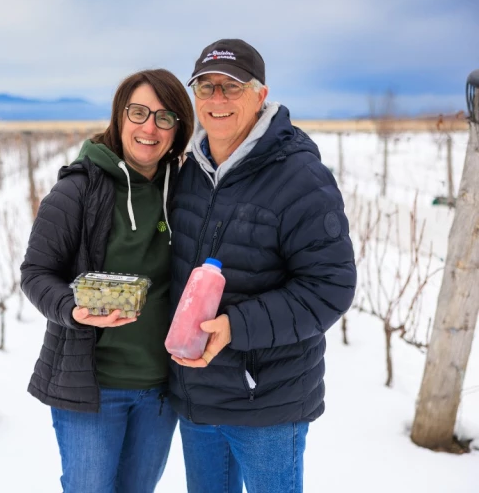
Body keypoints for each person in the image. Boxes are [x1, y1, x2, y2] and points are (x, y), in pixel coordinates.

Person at [167, 38, 357, 493]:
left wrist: (236, 326)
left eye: (231, 87)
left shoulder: (299, 177)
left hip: (266, 402)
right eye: (206, 87)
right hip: (196, 397)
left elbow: (330, 287)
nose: (217, 100)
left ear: (261, 95)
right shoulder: (187, 169)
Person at [20, 69, 194, 492]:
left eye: (164, 117)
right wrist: (72, 310)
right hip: (93, 388)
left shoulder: (185, 191)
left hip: (159, 390)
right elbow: (35, 273)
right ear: (119, 117)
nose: (149, 127)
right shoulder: (77, 190)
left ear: (178, 129)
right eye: (138, 112)